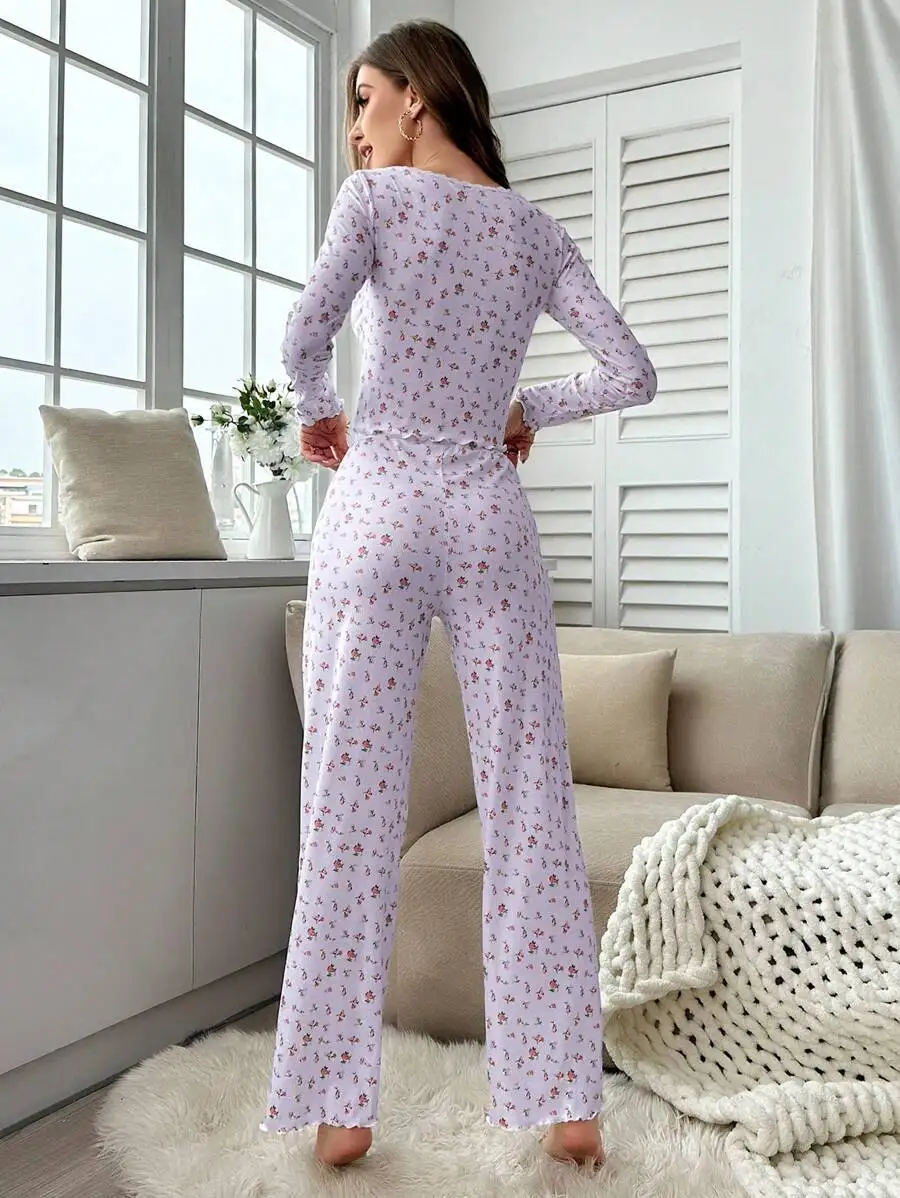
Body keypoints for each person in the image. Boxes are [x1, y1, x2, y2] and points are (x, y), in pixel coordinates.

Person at [259, 19, 657, 1170]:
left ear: (417, 98)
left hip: (379, 504)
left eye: (363, 99)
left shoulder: (375, 203)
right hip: (488, 513)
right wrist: (529, 410)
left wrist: (316, 413)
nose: (355, 128)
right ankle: (568, 1104)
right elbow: (631, 371)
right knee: (532, 801)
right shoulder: (533, 231)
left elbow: (303, 336)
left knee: (348, 804)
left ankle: (340, 1110)